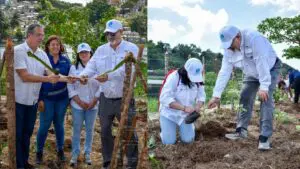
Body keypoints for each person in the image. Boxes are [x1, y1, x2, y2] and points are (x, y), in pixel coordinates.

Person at [207, 25, 281, 150]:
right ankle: (241, 131)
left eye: (230, 43)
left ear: (237, 37)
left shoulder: (254, 39)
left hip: (269, 69)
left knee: (265, 99)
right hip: (251, 72)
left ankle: (264, 137)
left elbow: (262, 63)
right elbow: (224, 71)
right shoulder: (229, 49)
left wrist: (264, 87)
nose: (229, 47)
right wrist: (216, 95)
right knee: (245, 96)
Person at [79, 19, 139, 169]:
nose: (110, 36)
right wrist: (84, 75)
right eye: (108, 34)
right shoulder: (101, 50)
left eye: (113, 33)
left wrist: (108, 76)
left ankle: (131, 163)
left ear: (121, 32)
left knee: (128, 132)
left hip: (124, 98)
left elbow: (130, 72)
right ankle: (108, 162)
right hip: (106, 97)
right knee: (105, 131)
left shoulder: (131, 49)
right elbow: (91, 66)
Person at [14, 24, 61, 169]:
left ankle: (25, 162)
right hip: (19, 100)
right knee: (18, 134)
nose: (41, 38)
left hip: (33, 101)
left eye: (42, 35)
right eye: (38, 35)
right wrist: (48, 79)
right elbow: (24, 76)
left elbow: (50, 72)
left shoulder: (41, 54)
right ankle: (18, 164)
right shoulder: (19, 51)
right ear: (29, 35)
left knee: (27, 133)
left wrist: (71, 78)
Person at [35, 35, 72, 164]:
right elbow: (38, 80)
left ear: (60, 46)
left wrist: (69, 99)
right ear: (48, 47)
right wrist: (39, 99)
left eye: (57, 44)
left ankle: (60, 150)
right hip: (47, 99)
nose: (55, 46)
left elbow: (70, 79)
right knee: (44, 126)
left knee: (59, 125)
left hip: (62, 98)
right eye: (52, 44)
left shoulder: (66, 61)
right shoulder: (43, 60)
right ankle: (39, 152)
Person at [159, 58, 205, 144]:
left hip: (185, 115)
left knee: (188, 141)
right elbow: (164, 98)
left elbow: (201, 96)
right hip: (169, 113)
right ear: (185, 71)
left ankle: (187, 131)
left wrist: (198, 106)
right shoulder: (174, 77)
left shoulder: (199, 80)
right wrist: (183, 108)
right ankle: (163, 131)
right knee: (169, 142)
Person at [68, 43, 100, 166]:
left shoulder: (97, 68)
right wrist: (79, 101)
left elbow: (101, 85)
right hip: (78, 105)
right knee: (76, 129)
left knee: (89, 130)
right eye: (81, 52)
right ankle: (75, 153)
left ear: (90, 53)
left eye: (86, 52)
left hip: (92, 105)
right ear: (78, 55)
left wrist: (94, 100)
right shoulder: (73, 68)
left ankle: (87, 153)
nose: (84, 54)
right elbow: (70, 85)